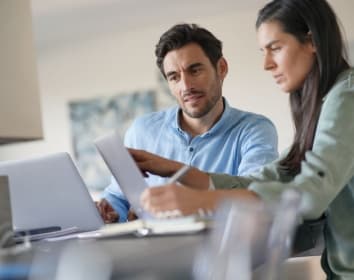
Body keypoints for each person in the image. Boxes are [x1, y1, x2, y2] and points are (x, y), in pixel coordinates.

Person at [132, 0, 353, 278]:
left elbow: (311, 193)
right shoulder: (324, 105)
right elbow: (271, 176)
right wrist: (176, 169)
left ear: (312, 41)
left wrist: (201, 201)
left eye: (275, 48)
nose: (266, 64)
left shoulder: (347, 95)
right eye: (263, 51)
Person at [97, 23, 279, 223]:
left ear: (221, 68)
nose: (186, 86)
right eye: (174, 77)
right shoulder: (141, 131)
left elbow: (258, 197)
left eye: (195, 70)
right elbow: (119, 197)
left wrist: (178, 176)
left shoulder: (255, 130)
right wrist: (110, 211)